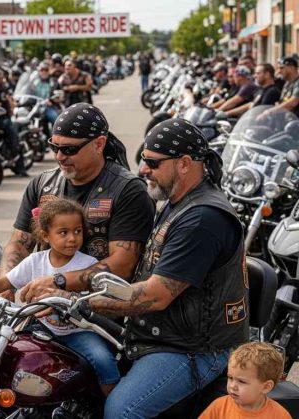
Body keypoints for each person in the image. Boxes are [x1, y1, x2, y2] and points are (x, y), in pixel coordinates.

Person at [40, 118, 248, 418]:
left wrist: (74, 301)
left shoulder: (202, 217)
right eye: (143, 159)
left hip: (190, 347)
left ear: (184, 164)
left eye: (152, 162)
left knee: (121, 411)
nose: (142, 170)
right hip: (155, 333)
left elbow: (155, 296)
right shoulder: (178, 203)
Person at [3, 103, 154, 302]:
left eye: (69, 149)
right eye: (54, 147)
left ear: (99, 144)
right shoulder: (42, 184)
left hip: (98, 309)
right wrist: (8, 283)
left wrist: (58, 281)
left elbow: (123, 264)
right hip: (41, 307)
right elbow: (19, 244)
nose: (59, 156)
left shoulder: (128, 190)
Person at [0, 199, 120, 395]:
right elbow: (5, 282)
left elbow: (96, 299)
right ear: (45, 236)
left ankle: (110, 402)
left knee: (103, 359)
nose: (72, 238)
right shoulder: (35, 261)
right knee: (8, 353)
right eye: (63, 232)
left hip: (78, 332)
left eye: (78, 231)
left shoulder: (88, 265)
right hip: (41, 327)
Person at [200, 342, 291, 419]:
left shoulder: (280, 415)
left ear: (266, 387)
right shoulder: (219, 407)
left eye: (241, 381)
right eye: (230, 378)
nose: (232, 386)